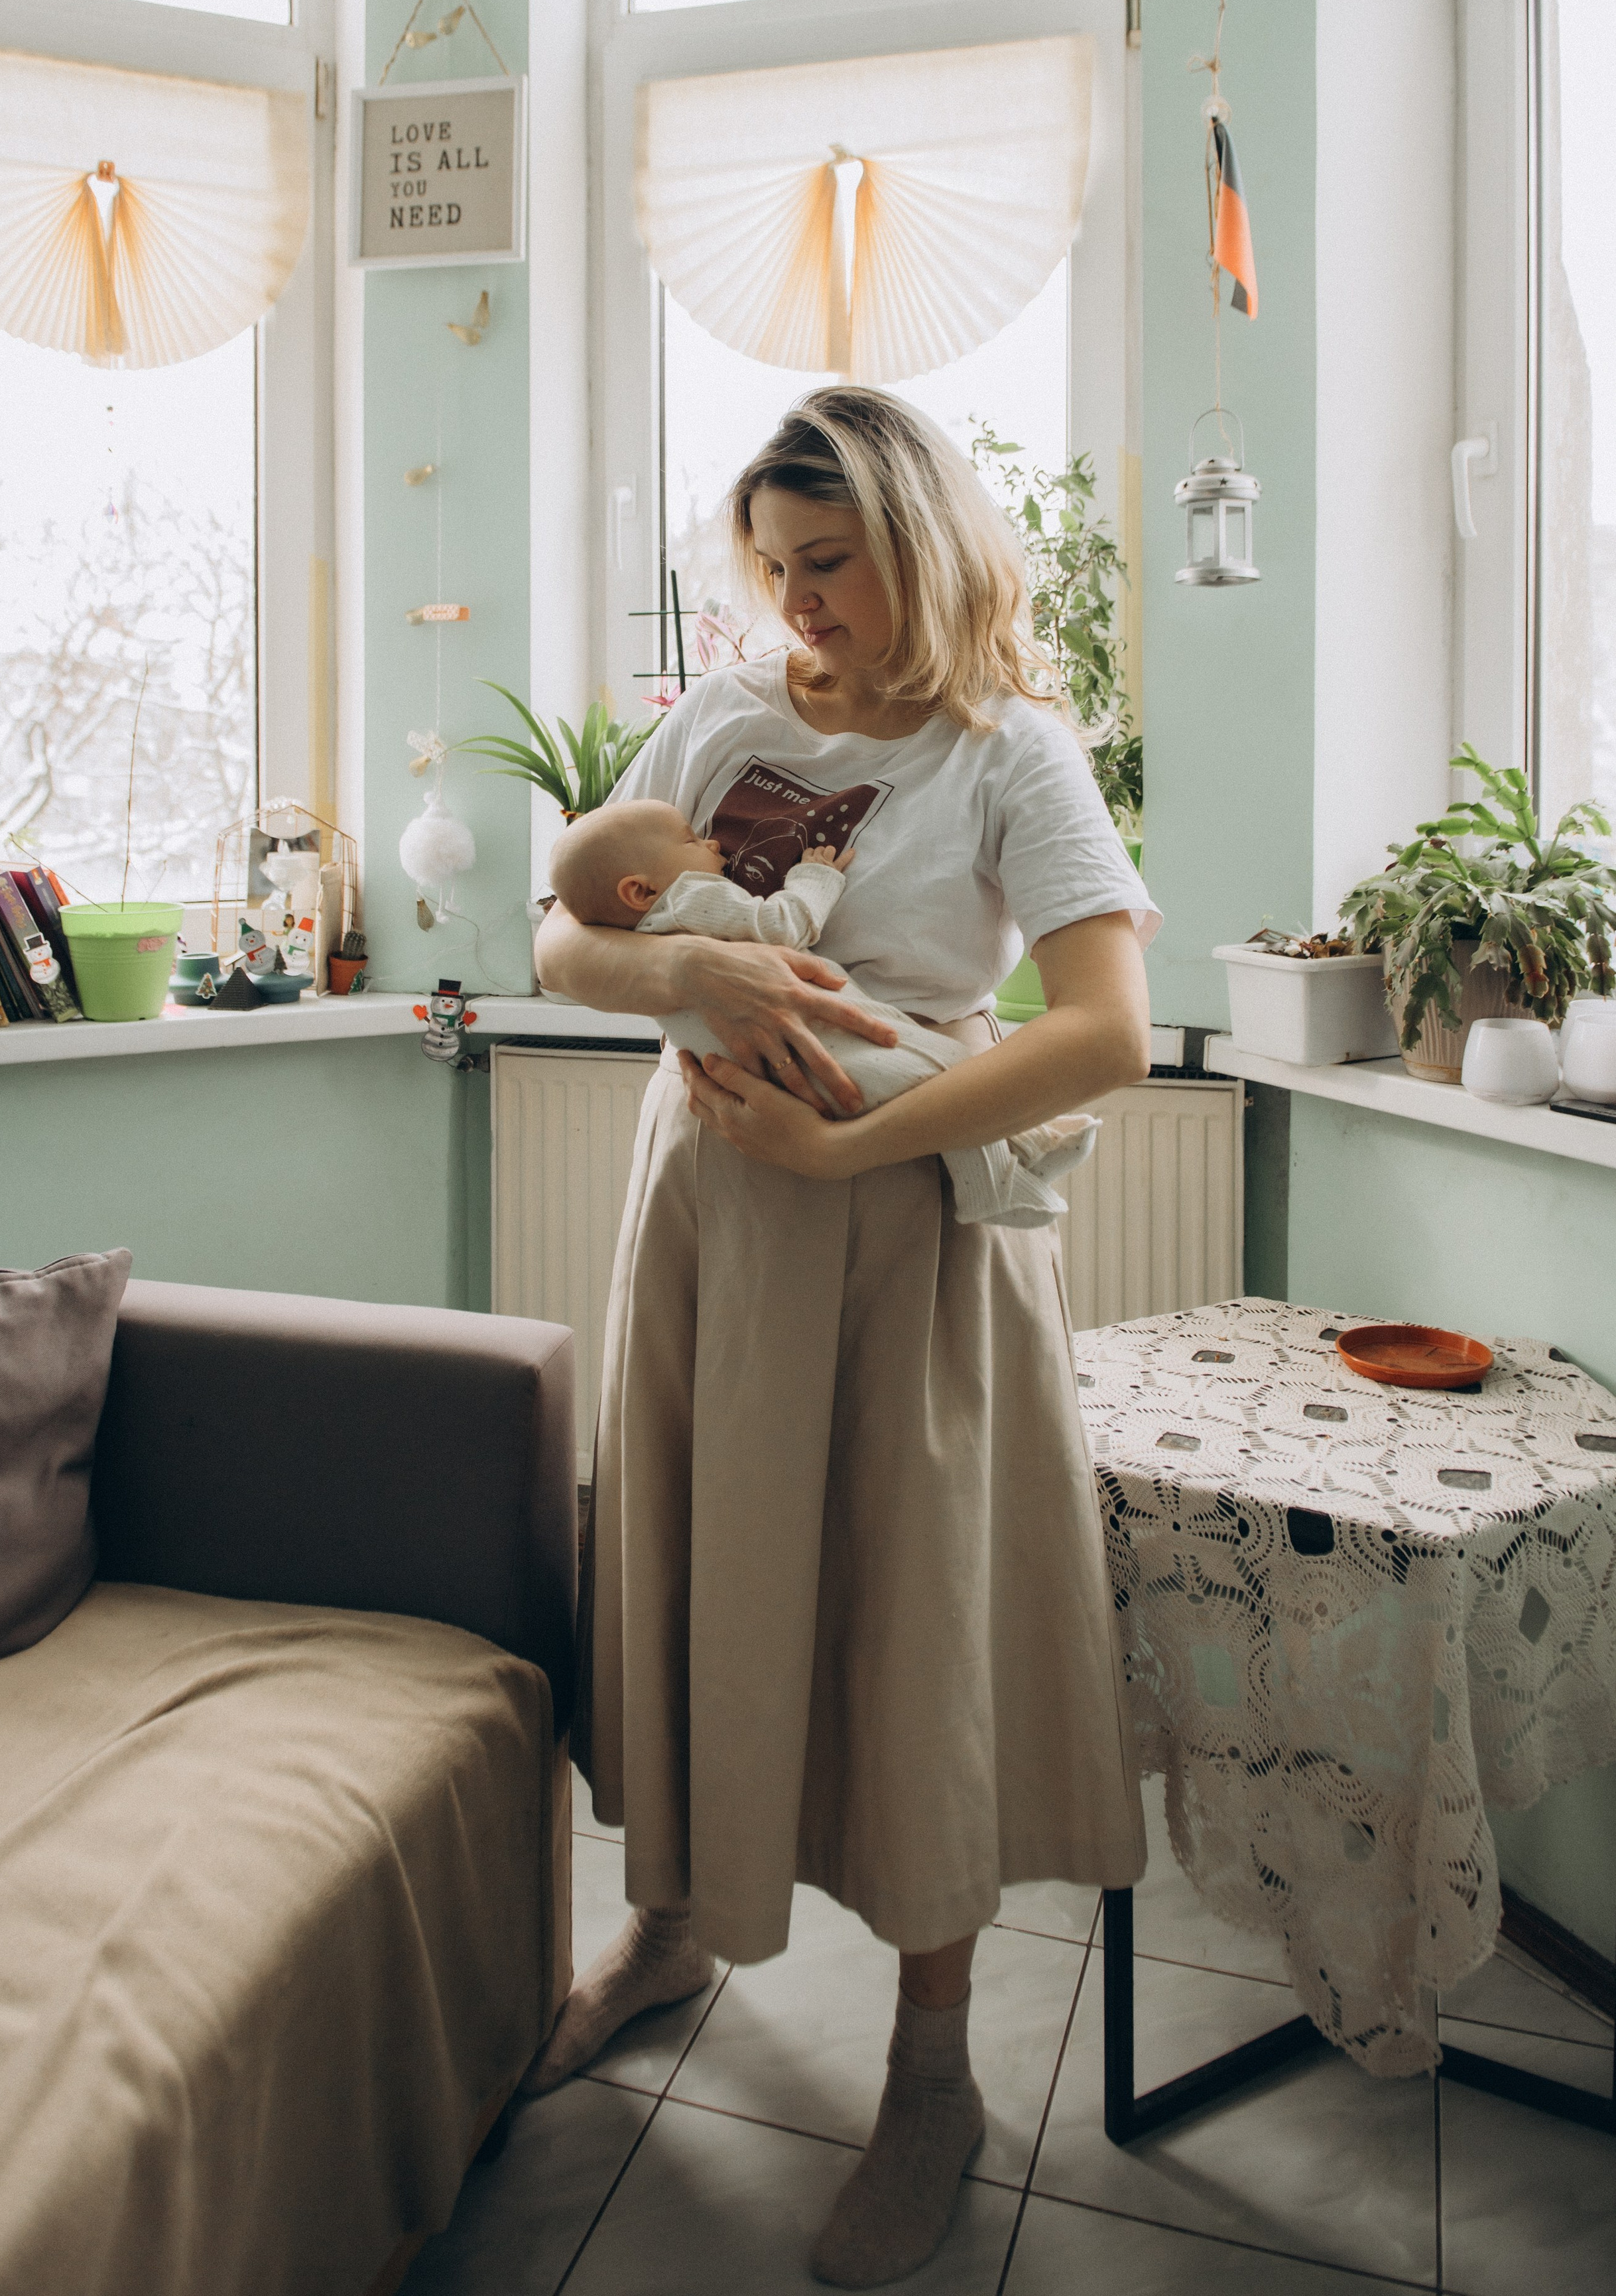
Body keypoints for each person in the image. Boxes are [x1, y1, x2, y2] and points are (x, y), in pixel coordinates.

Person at [530, 386, 1158, 2289]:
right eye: (777, 569)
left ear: (922, 545)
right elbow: (563, 937)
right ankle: (668, 1934)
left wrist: (850, 1137)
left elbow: (1103, 1031)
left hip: (906, 1231)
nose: (801, 606)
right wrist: (686, 966)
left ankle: (937, 2071)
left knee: (910, 1622)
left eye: (835, 566)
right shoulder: (723, 720)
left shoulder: (1012, 751)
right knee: (703, 1578)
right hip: (715, 1219)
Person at [547, 798, 1098, 1227]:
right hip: (822, 1048)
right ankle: (993, 1184)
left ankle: (1026, 1144)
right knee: (935, 1081)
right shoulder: (688, 899)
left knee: (938, 1076)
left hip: (773, 1064)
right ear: (640, 890)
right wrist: (817, 876)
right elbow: (785, 925)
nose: (713, 842)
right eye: (692, 839)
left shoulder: (645, 920)